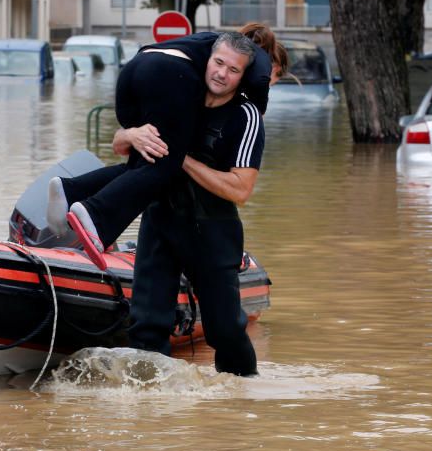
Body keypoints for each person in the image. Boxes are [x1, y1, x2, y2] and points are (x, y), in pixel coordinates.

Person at [46, 24, 283, 271]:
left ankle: (71, 190)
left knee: (146, 160)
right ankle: (95, 215)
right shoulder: (255, 58)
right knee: (167, 161)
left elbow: (123, 146)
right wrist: (259, 113)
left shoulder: (210, 43)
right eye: (276, 78)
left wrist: (131, 134)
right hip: (168, 74)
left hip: (135, 69)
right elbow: (260, 82)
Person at [128, 32, 267, 376]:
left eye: (233, 70)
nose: (222, 73)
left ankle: (239, 400)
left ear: (242, 76)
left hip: (212, 227)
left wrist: (181, 159)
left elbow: (240, 189)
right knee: (146, 324)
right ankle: (151, 411)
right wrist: (130, 135)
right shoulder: (175, 94)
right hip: (159, 219)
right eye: (218, 63)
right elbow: (121, 147)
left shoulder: (246, 116)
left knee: (225, 330)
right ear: (207, 60)